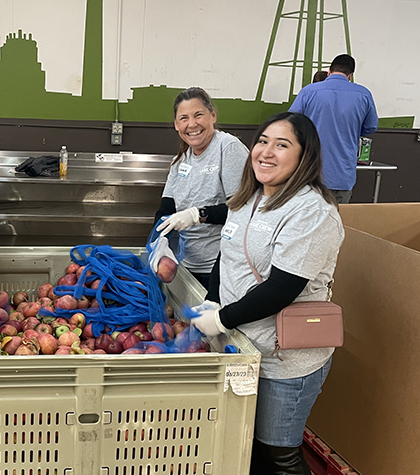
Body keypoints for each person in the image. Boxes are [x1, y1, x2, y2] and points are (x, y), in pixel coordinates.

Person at [190, 112, 345, 474]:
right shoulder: (249, 198)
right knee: (247, 447)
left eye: (282, 144)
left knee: (279, 454)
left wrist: (222, 318)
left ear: (304, 157)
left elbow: (282, 288)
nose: (266, 152)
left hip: (284, 359)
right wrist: (213, 297)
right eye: (262, 141)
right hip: (244, 347)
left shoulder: (312, 212)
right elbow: (226, 257)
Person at [154, 87, 248, 289]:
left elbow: (242, 210)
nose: (192, 124)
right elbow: (165, 210)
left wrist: (199, 214)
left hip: (221, 268)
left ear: (212, 115)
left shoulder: (228, 148)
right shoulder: (180, 160)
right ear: (176, 125)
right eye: (184, 118)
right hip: (185, 266)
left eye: (198, 115)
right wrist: (159, 242)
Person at [289, 54, 378, 203]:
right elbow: (370, 126)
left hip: (309, 173)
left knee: (305, 221)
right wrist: (351, 130)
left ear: (329, 71)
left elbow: (290, 123)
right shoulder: (364, 94)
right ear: (350, 75)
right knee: (337, 221)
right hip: (343, 174)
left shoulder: (308, 91)